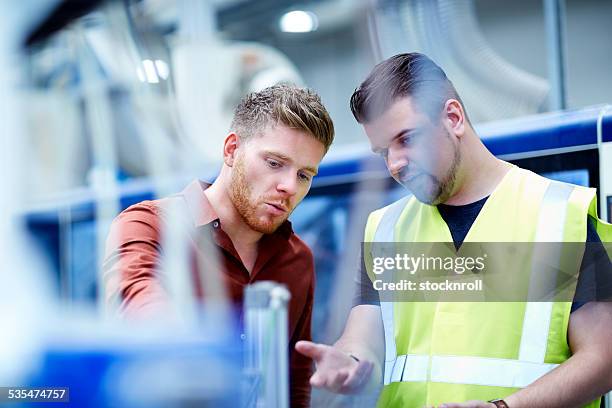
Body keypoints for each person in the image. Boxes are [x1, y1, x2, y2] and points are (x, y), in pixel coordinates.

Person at [295, 53, 612, 407]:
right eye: (383, 151)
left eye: (407, 138)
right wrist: (349, 363)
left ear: (453, 117)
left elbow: (603, 357)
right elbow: (364, 338)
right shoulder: (387, 229)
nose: (395, 163)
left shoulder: (557, 215)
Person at [103, 84, 335, 407]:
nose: (288, 186)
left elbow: (294, 387)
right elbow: (138, 304)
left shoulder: (298, 260)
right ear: (231, 150)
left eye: (304, 175)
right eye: (274, 163)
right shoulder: (148, 225)